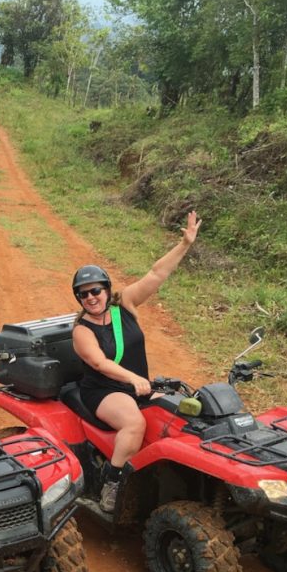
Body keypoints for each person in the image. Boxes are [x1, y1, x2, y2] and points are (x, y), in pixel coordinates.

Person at [71, 210, 202, 513]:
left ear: (107, 289)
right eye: (83, 294)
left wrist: (184, 244)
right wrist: (132, 378)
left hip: (138, 386)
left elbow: (156, 274)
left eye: (95, 290)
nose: (90, 297)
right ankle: (113, 484)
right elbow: (100, 363)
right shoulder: (81, 330)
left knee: (182, 415)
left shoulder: (125, 305)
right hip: (104, 390)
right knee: (134, 423)